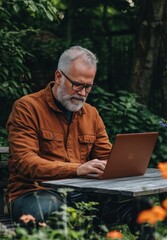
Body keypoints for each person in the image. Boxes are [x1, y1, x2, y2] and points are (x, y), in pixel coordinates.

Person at [6, 46, 155, 239]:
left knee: (144, 209)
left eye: (88, 87)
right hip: (34, 193)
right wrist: (77, 169)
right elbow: (25, 163)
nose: (83, 93)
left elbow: (106, 156)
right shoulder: (27, 108)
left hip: (83, 195)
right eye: (77, 85)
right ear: (59, 77)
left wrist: (122, 164)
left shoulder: (91, 114)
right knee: (55, 211)